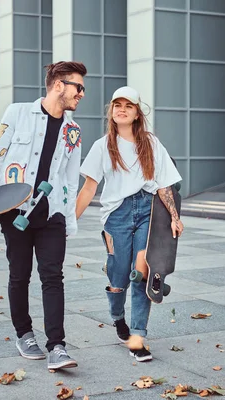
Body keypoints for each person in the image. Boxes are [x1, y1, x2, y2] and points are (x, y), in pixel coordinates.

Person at [0, 61, 87, 370]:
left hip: (52, 215)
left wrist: (70, 220)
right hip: (15, 210)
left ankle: (57, 346)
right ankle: (24, 333)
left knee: (53, 276)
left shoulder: (73, 130)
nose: (82, 94)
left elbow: (71, 179)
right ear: (58, 85)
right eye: (78, 87)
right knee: (20, 274)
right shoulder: (18, 114)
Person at [75, 86, 184, 362]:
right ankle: (118, 317)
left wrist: (174, 217)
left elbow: (163, 186)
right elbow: (89, 188)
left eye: (128, 106)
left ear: (137, 113)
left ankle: (137, 337)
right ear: (112, 112)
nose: (122, 109)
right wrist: (68, 220)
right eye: (117, 105)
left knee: (142, 271)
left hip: (148, 210)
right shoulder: (103, 146)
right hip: (117, 214)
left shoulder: (151, 144)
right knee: (118, 275)